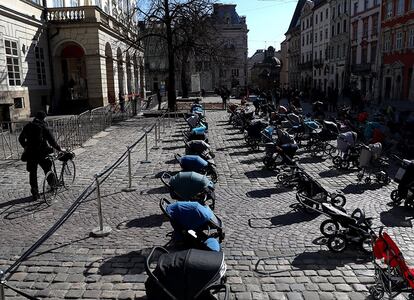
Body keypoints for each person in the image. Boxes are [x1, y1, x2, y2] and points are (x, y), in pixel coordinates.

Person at [18, 111, 62, 201]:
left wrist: (26, 146)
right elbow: (52, 141)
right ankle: (53, 185)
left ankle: (35, 193)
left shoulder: (28, 126)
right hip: (42, 153)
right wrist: (59, 149)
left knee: (32, 173)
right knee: (47, 169)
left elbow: (21, 138)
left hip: (30, 153)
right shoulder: (43, 127)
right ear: (43, 118)